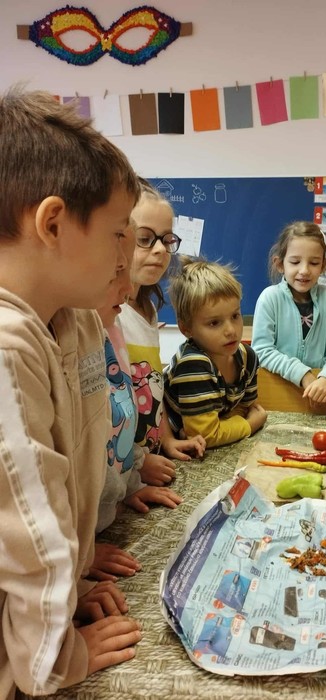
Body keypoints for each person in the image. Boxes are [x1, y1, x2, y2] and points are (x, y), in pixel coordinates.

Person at [0, 86, 142, 698]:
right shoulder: (7, 348)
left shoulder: (75, 318)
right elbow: (29, 535)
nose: (124, 256)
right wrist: (57, 658)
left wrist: (72, 584)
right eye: (117, 233)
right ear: (53, 223)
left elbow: (72, 469)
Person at [90, 227, 182, 582]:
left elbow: (124, 421)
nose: (128, 287)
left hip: (107, 516)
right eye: (116, 273)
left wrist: (130, 485)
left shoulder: (113, 331)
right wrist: (80, 553)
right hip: (76, 545)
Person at [120, 181, 206, 486]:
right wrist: (137, 465)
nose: (159, 250)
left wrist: (167, 439)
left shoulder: (149, 310)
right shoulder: (109, 315)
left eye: (167, 240)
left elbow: (153, 385)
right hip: (125, 469)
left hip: (148, 461)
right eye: (145, 239)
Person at [164, 257, 267, 448]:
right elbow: (206, 435)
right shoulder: (192, 365)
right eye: (214, 323)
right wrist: (251, 425)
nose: (231, 330)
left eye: (235, 316)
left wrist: (224, 426)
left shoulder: (248, 358)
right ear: (186, 329)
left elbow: (245, 408)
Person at [252, 221, 326, 408]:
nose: (305, 270)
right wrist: (303, 375)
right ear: (280, 264)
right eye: (295, 262)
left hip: (321, 395)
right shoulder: (269, 298)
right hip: (278, 393)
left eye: (314, 263)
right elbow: (262, 351)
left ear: (323, 266)